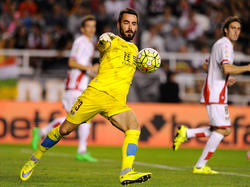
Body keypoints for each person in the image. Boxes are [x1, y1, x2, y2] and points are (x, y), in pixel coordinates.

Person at [20, 8, 152, 185]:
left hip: (116, 103)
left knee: (134, 127)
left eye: (133, 24)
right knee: (64, 130)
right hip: (95, 96)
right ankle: (34, 159)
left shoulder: (135, 50)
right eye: (126, 23)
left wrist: (147, 66)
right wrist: (103, 40)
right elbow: (103, 43)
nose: (130, 27)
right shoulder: (111, 39)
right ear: (119, 24)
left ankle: (126, 172)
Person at [173, 16, 250, 174]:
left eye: (238, 29)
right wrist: (247, 67)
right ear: (226, 30)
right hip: (216, 93)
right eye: (233, 28)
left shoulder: (220, 44)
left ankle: (187, 133)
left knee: (224, 130)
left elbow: (206, 64)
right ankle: (200, 166)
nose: (236, 31)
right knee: (222, 130)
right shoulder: (226, 45)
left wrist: (223, 77)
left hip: (217, 91)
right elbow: (227, 68)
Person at [31, 15, 98, 162]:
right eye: (89, 26)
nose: (92, 29)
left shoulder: (90, 44)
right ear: (82, 29)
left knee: (77, 119)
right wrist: (90, 68)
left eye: (94, 26)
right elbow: (72, 63)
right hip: (74, 87)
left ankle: (41, 131)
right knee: (81, 119)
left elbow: (85, 68)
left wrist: (93, 71)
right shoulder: (80, 42)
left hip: (80, 87)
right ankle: (81, 150)